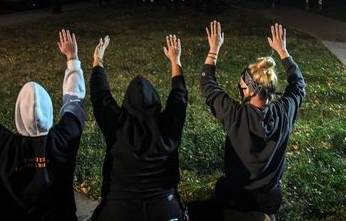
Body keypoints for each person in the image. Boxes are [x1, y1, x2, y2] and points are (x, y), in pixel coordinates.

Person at [0, 32, 86, 220]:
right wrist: (72, 58)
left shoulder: (5, 147)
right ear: (49, 110)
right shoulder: (65, 139)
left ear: (18, 113)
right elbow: (75, 102)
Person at [198, 21, 305, 220]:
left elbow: (207, 83)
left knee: (222, 189)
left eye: (241, 86)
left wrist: (214, 50)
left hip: (238, 195)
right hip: (269, 197)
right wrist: (283, 52)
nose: (239, 90)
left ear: (250, 90)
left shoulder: (234, 114)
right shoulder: (285, 111)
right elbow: (298, 85)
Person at [90, 34, 188, 220]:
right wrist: (175, 61)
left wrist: (98, 60)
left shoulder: (117, 126)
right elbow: (179, 96)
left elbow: (100, 96)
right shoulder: (168, 127)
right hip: (164, 207)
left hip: (119, 209)